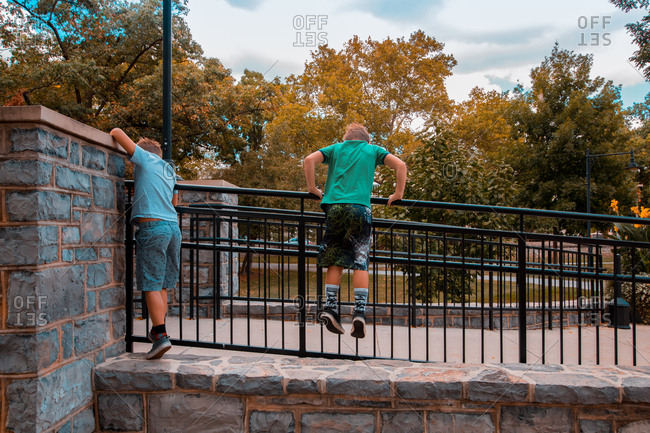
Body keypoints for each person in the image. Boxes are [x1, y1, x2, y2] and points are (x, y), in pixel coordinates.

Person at [303, 123, 407, 338]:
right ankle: (359, 313)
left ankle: (331, 308)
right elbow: (401, 165)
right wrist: (398, 193)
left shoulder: (336, 148)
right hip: (360, 208)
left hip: (335, 208)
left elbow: (309, 160)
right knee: (360, 259)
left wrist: (312, 189)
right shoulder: (374, 150)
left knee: (335, 259)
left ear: (346, 138)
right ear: (366, 140)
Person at [110, 128, 180, 359]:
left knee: (150, 283)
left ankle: (160, 337)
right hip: (173, 228)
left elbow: (117, 132)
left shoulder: (145, 158)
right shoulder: (168, 170)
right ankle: (157, 331)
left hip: (153, 229)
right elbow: (174, 200)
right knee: (160, 284)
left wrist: (113, 134)